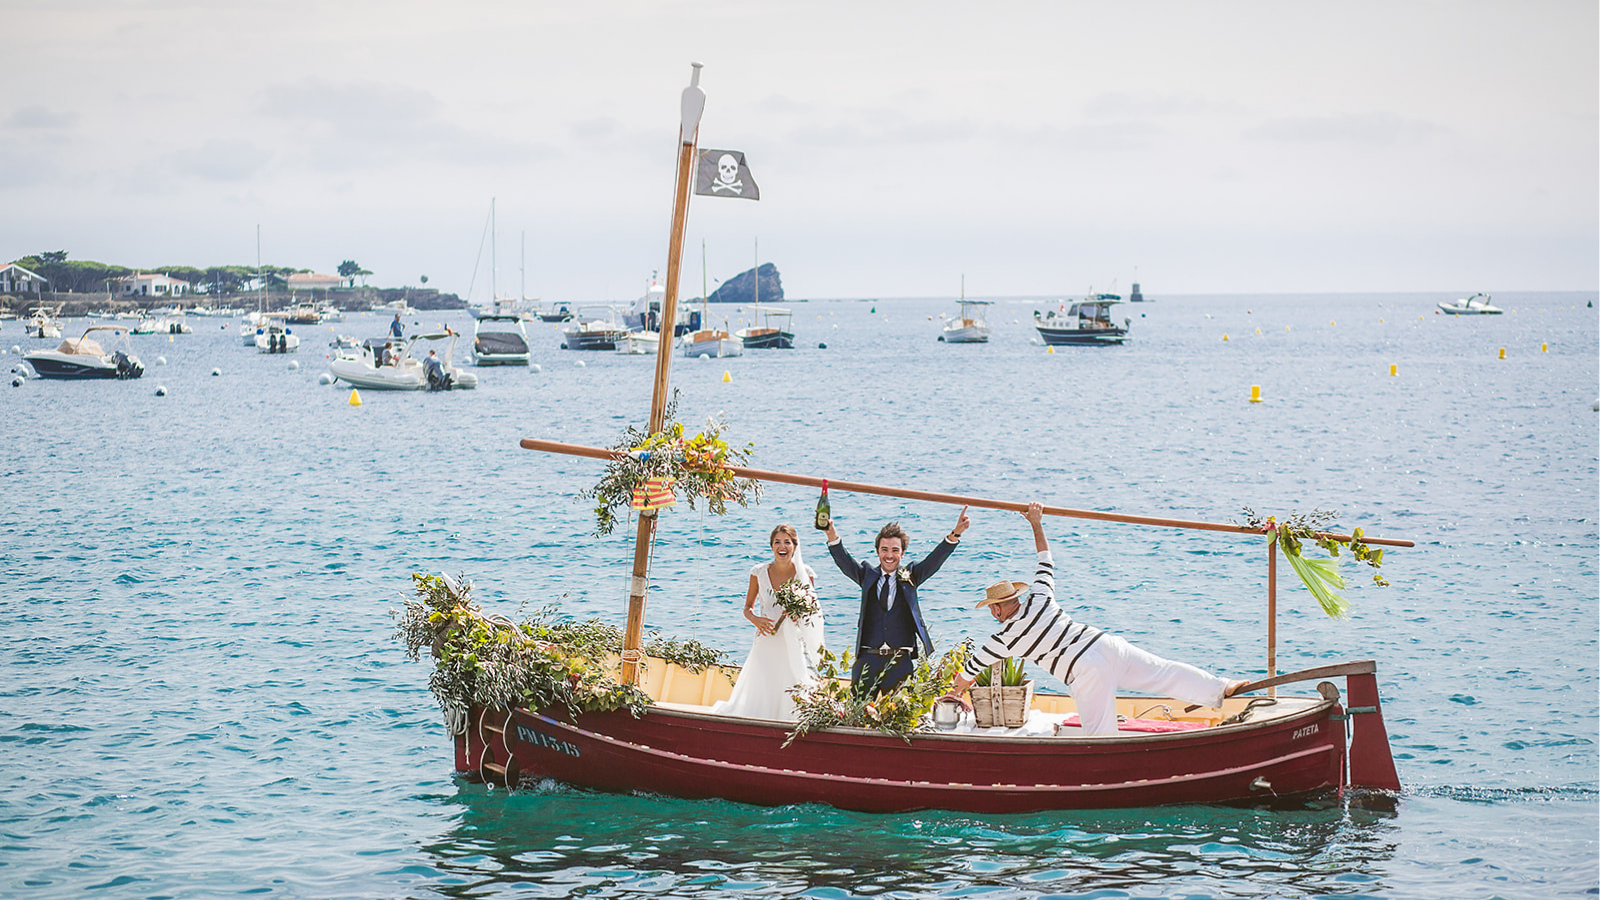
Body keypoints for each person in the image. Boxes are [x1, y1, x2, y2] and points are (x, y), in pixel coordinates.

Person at [941, 502, 1247, 734]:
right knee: (1164, 672)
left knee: (1100, 735)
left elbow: (967, 673)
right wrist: (1035, 522)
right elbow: (1045, 557)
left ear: (996, 609)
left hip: (1086, 669)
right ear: (1016, 597)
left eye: (992, 609)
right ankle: (1221, 687)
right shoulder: (1040, 596)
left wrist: (950, 694)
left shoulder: (1004, 639)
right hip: (1108, 645)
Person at [825, 505, 970, 695]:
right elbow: (844, 561)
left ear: (902, 553)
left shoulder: (911, 576)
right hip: (868, 659)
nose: (890, 555)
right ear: (877, 552)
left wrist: (955, 533)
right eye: (884, 550)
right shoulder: (867, 575)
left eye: (895, 550)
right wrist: (831, 534)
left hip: (900, 662)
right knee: (858, 715)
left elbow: (935, 560)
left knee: (900, 717)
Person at [711, 524, 824, 721]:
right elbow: (747, 608)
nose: (782, 546)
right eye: (777, 542)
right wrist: (756, 620)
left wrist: (797, 614)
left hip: (791, 641)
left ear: (794, 546)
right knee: (762, 685)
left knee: (791, 682)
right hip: (765, 639)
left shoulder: (805, 573)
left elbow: (811, 611)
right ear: (772, 546)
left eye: (787, 542)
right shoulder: (759, 573)